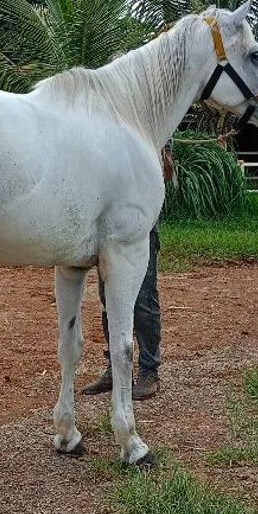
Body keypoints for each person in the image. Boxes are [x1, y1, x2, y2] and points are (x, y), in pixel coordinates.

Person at [80, 142, 175, 401]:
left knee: (144, 300)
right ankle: (115, 367)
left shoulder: (154, 133)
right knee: (108, 299)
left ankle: (149, 369)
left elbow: (167, 173)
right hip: (111, 230)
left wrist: (161, 156)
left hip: (141, 230)